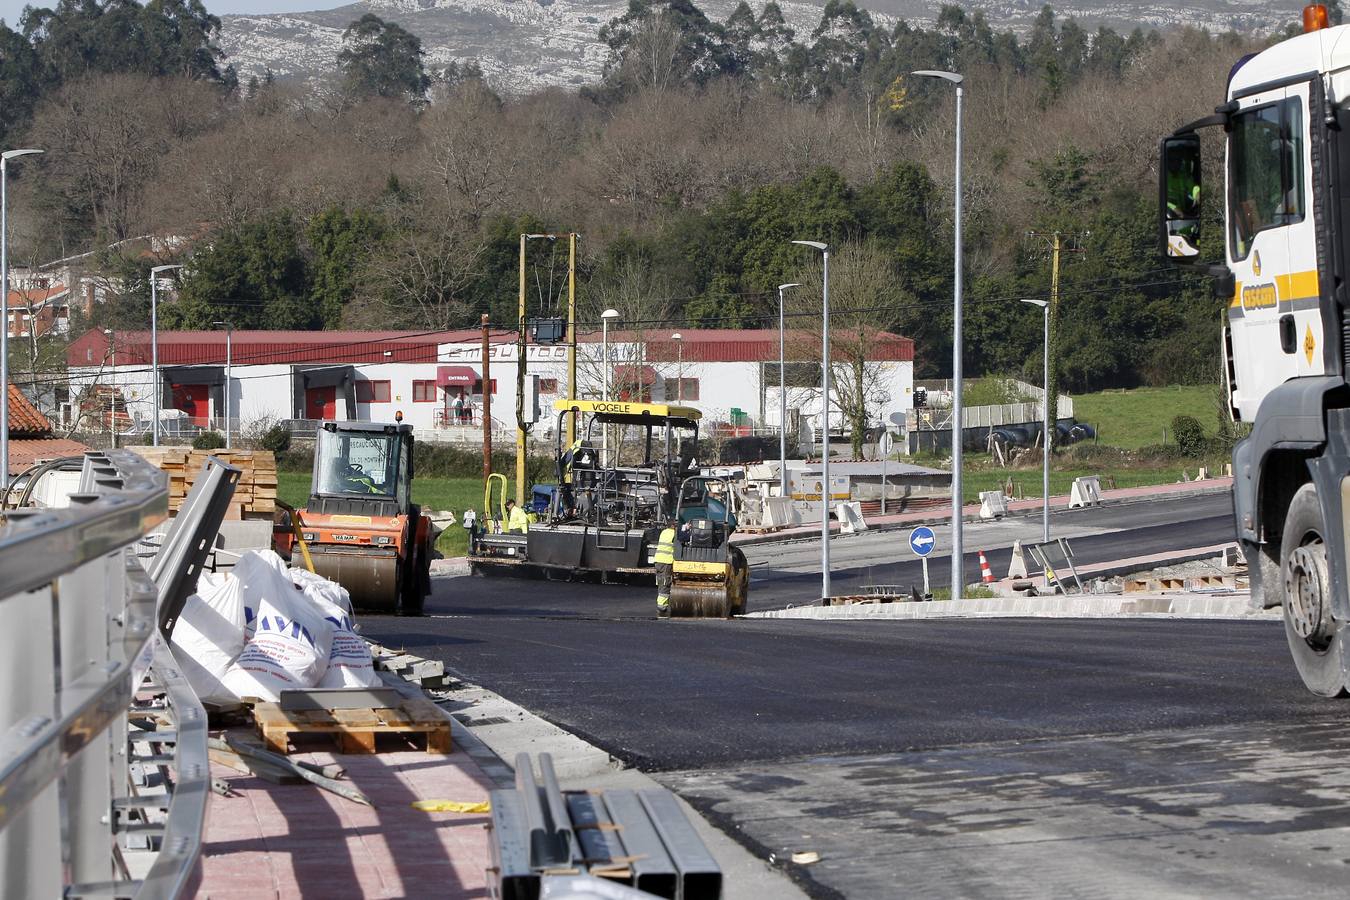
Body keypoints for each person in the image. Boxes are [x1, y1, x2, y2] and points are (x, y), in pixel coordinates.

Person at [653, 519, 677, 618]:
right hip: (666, 562)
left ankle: (662, 604)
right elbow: (683, 539)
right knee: (665, 583)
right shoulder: (674, 534)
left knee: (660, 582)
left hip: (658, 561)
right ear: (673, 526)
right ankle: (662, 606)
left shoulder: (664, 532)